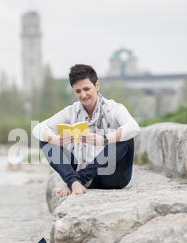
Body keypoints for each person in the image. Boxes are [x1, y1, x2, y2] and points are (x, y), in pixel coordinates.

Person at [32, 64, 140, 197]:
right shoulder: (70, 111)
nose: (83, 95)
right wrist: (55, 139)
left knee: (126, 137)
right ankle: (74, 180)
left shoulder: (114, 108)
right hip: (79, 166)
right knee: (45, 141)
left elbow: (134, 127)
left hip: (111, 177)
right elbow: (38, 128)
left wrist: (104, 139)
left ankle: (76, 180)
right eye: (78, 91)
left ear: (97, 85)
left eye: (87, 89)